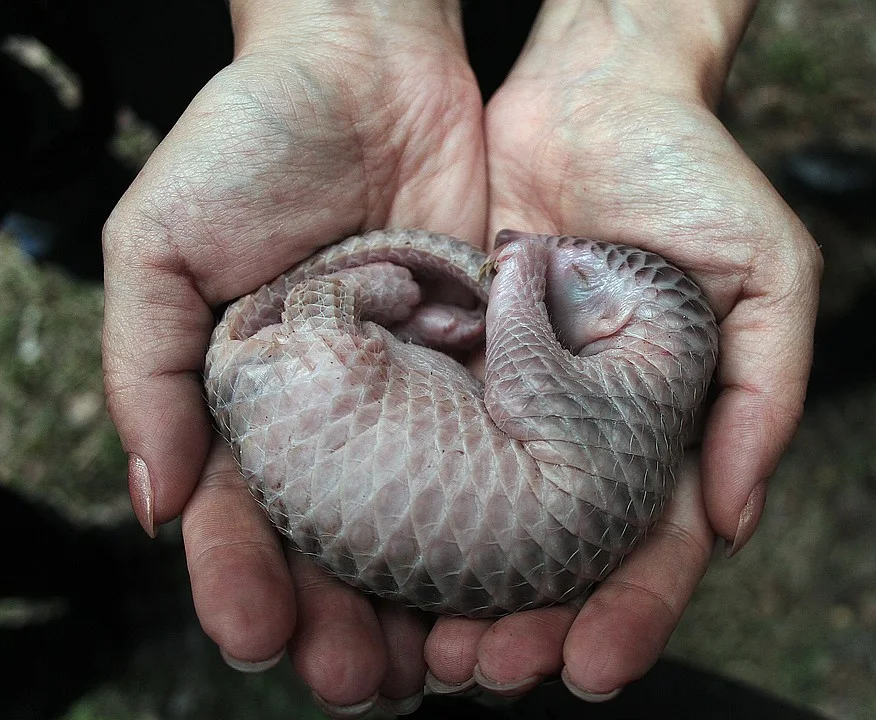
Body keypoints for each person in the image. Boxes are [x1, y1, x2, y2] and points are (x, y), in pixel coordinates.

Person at [100, 0, 822, 715]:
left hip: (327, 401)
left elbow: (520, 360)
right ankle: (355, 307)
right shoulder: (634, 433)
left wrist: (519, 266)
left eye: (575, 275)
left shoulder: (611, 407)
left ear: (624, 318)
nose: (550, 262)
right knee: (388, 342)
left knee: (385, 339)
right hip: (333, 407)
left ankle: (355, 306)